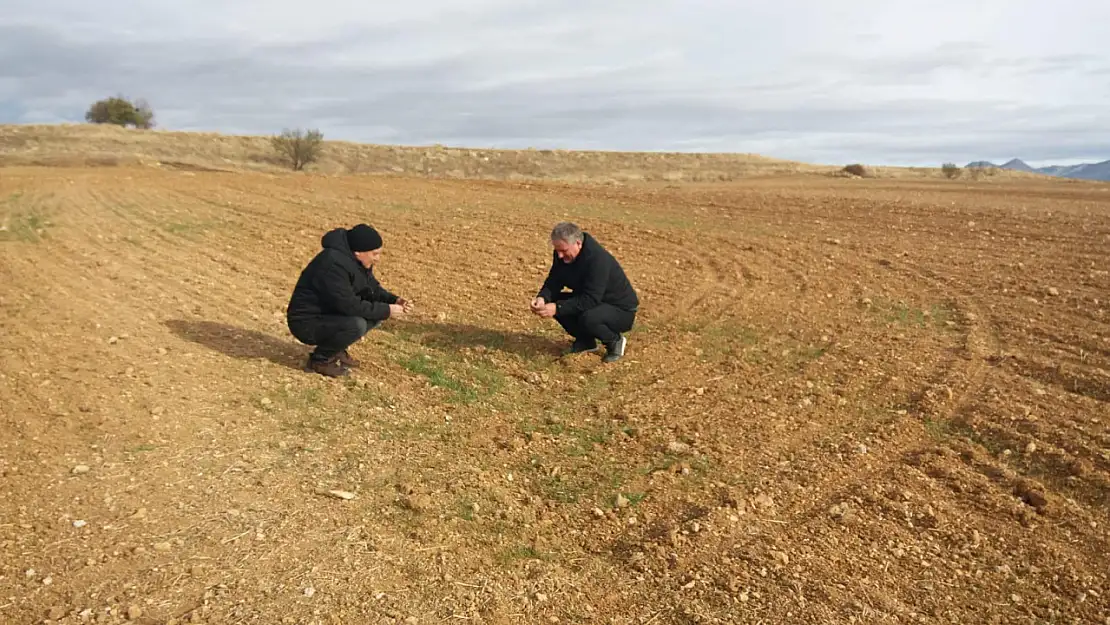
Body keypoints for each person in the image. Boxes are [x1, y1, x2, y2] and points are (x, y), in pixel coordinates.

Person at [286, 224, 413, 377]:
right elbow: (349, 305)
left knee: (377, 314)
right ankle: (320, 360)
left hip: (328, 314)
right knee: (356, 324)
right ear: (358, 252)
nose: (377, 259)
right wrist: (387, 310)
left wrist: (394, 300)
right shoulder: (333, 265)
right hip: (306, 322)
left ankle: (335, 349)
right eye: (374, 254)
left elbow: (371, 288)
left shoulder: (355, 261)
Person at [530, 222, 639, 362]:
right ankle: (585, 341)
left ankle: (614, 341)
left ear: (578, 243)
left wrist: (558, 308)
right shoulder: (562, 255)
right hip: (595, 302)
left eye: (563, 250)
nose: (560, 255)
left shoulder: (598, 260)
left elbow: (591, 299)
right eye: (557, 250)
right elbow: (554, 280)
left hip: (621, 309)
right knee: (554, 301)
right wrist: (542, 298)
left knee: (589, 318)